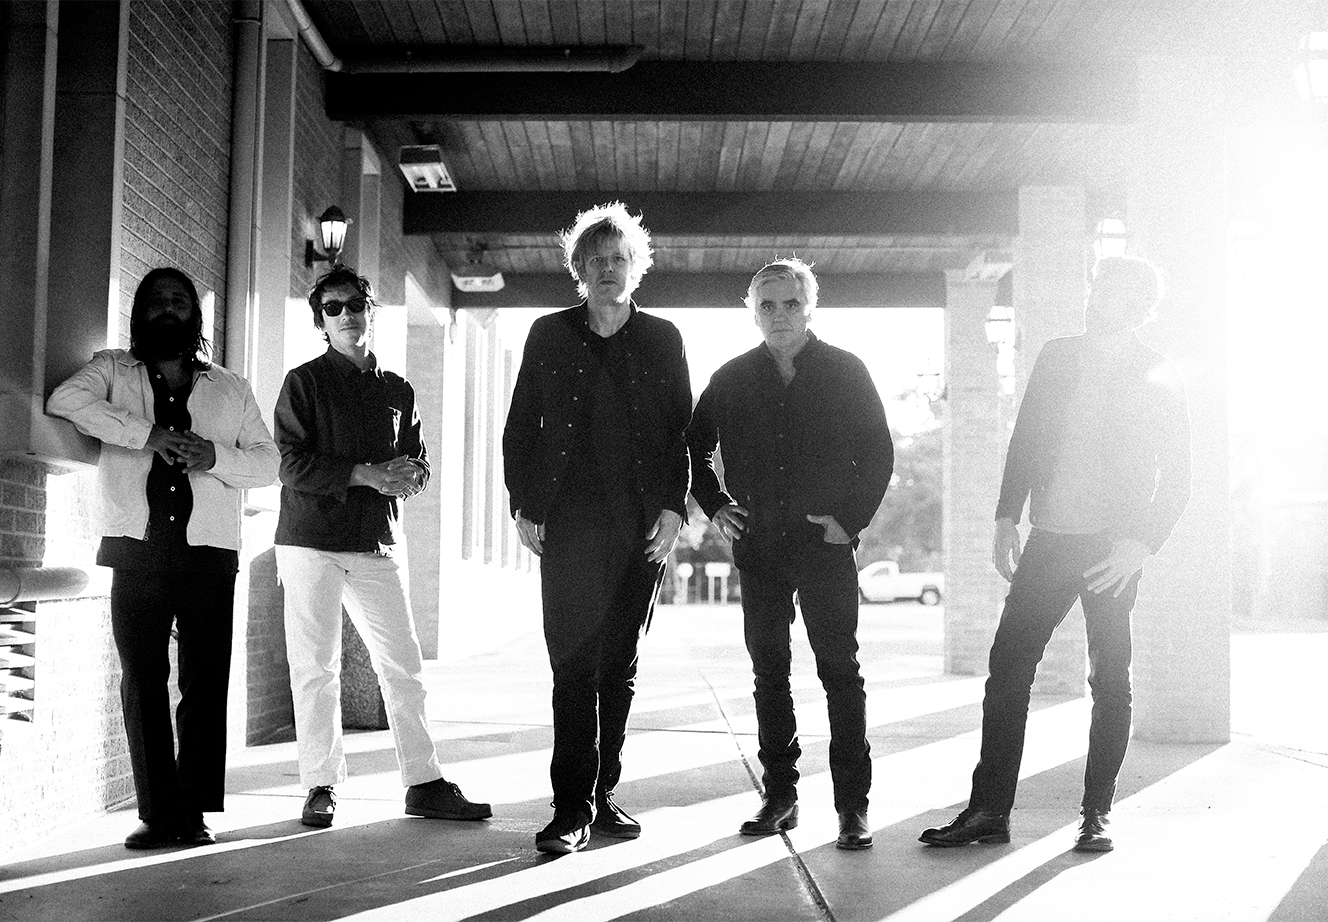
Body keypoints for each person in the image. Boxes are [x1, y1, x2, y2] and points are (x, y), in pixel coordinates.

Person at [919, 254, 1191, 853]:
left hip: (1111, 551)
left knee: (1110, 680)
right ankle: (989, 811)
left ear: (1140, 307)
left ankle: (1097, 814)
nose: (1098, 300)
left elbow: (1179, 477)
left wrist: (1141, 545)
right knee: (1008, 670)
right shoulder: (1058, 356)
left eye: (1112, 293)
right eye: (1097, 289)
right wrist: (1005, 516)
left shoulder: (1158, 373)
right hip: (1049, 540)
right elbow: (1027, 436)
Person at [47, 267, 280, 849]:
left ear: (195, 315)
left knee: (205, 683)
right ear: (141, 312)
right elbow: (65, 400)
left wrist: (214, 456)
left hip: (209, 554)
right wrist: (145, 434)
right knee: (143, 679)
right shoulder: (112, 370)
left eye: (179, 300)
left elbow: (269, 463)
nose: (168, 309)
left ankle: (192, 813)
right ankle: (156, 813)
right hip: (137, 550)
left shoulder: (231, 387)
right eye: (157, 301)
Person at [502, 202, 692, 855]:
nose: (608, 269)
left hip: (641, 527)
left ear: (636, 267)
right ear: (579, 269)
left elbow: (681, 433)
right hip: (571, 524)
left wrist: (673, 508)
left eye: (619, 259)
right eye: (596, 260)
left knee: (619, 666)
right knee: (573, 665)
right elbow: (521, 425)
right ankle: (570, 808)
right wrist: (523, 502)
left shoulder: (663, 338)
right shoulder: (549, 335)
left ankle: (602, 794)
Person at [686, 258, 894, 850]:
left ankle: (853, 807)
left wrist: (848, 522)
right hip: (759, 548)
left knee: (840, 673)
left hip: (824, 547)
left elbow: (878, 453)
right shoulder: (731, 377)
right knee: (769, 673)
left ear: (809, 308)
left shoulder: (846, 371)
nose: (780, 315)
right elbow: (694, 445)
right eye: (768, 305)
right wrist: (715, 504)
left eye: (791, 304)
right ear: (753, 312)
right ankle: (780, 797)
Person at [274, 266, 489, 829]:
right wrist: (366, 474)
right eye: (333, 308)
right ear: (322, 322)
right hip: (311, 542)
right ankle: (320, 784)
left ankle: (424, 782)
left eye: (355, 305)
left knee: (404, 665)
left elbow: (420, 461)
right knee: (316, 668)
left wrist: (413, 475)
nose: (346, 315)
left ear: (370, 311)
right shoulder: (303, 382)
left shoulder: (398, 388)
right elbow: (291, 464)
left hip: (376, 542)